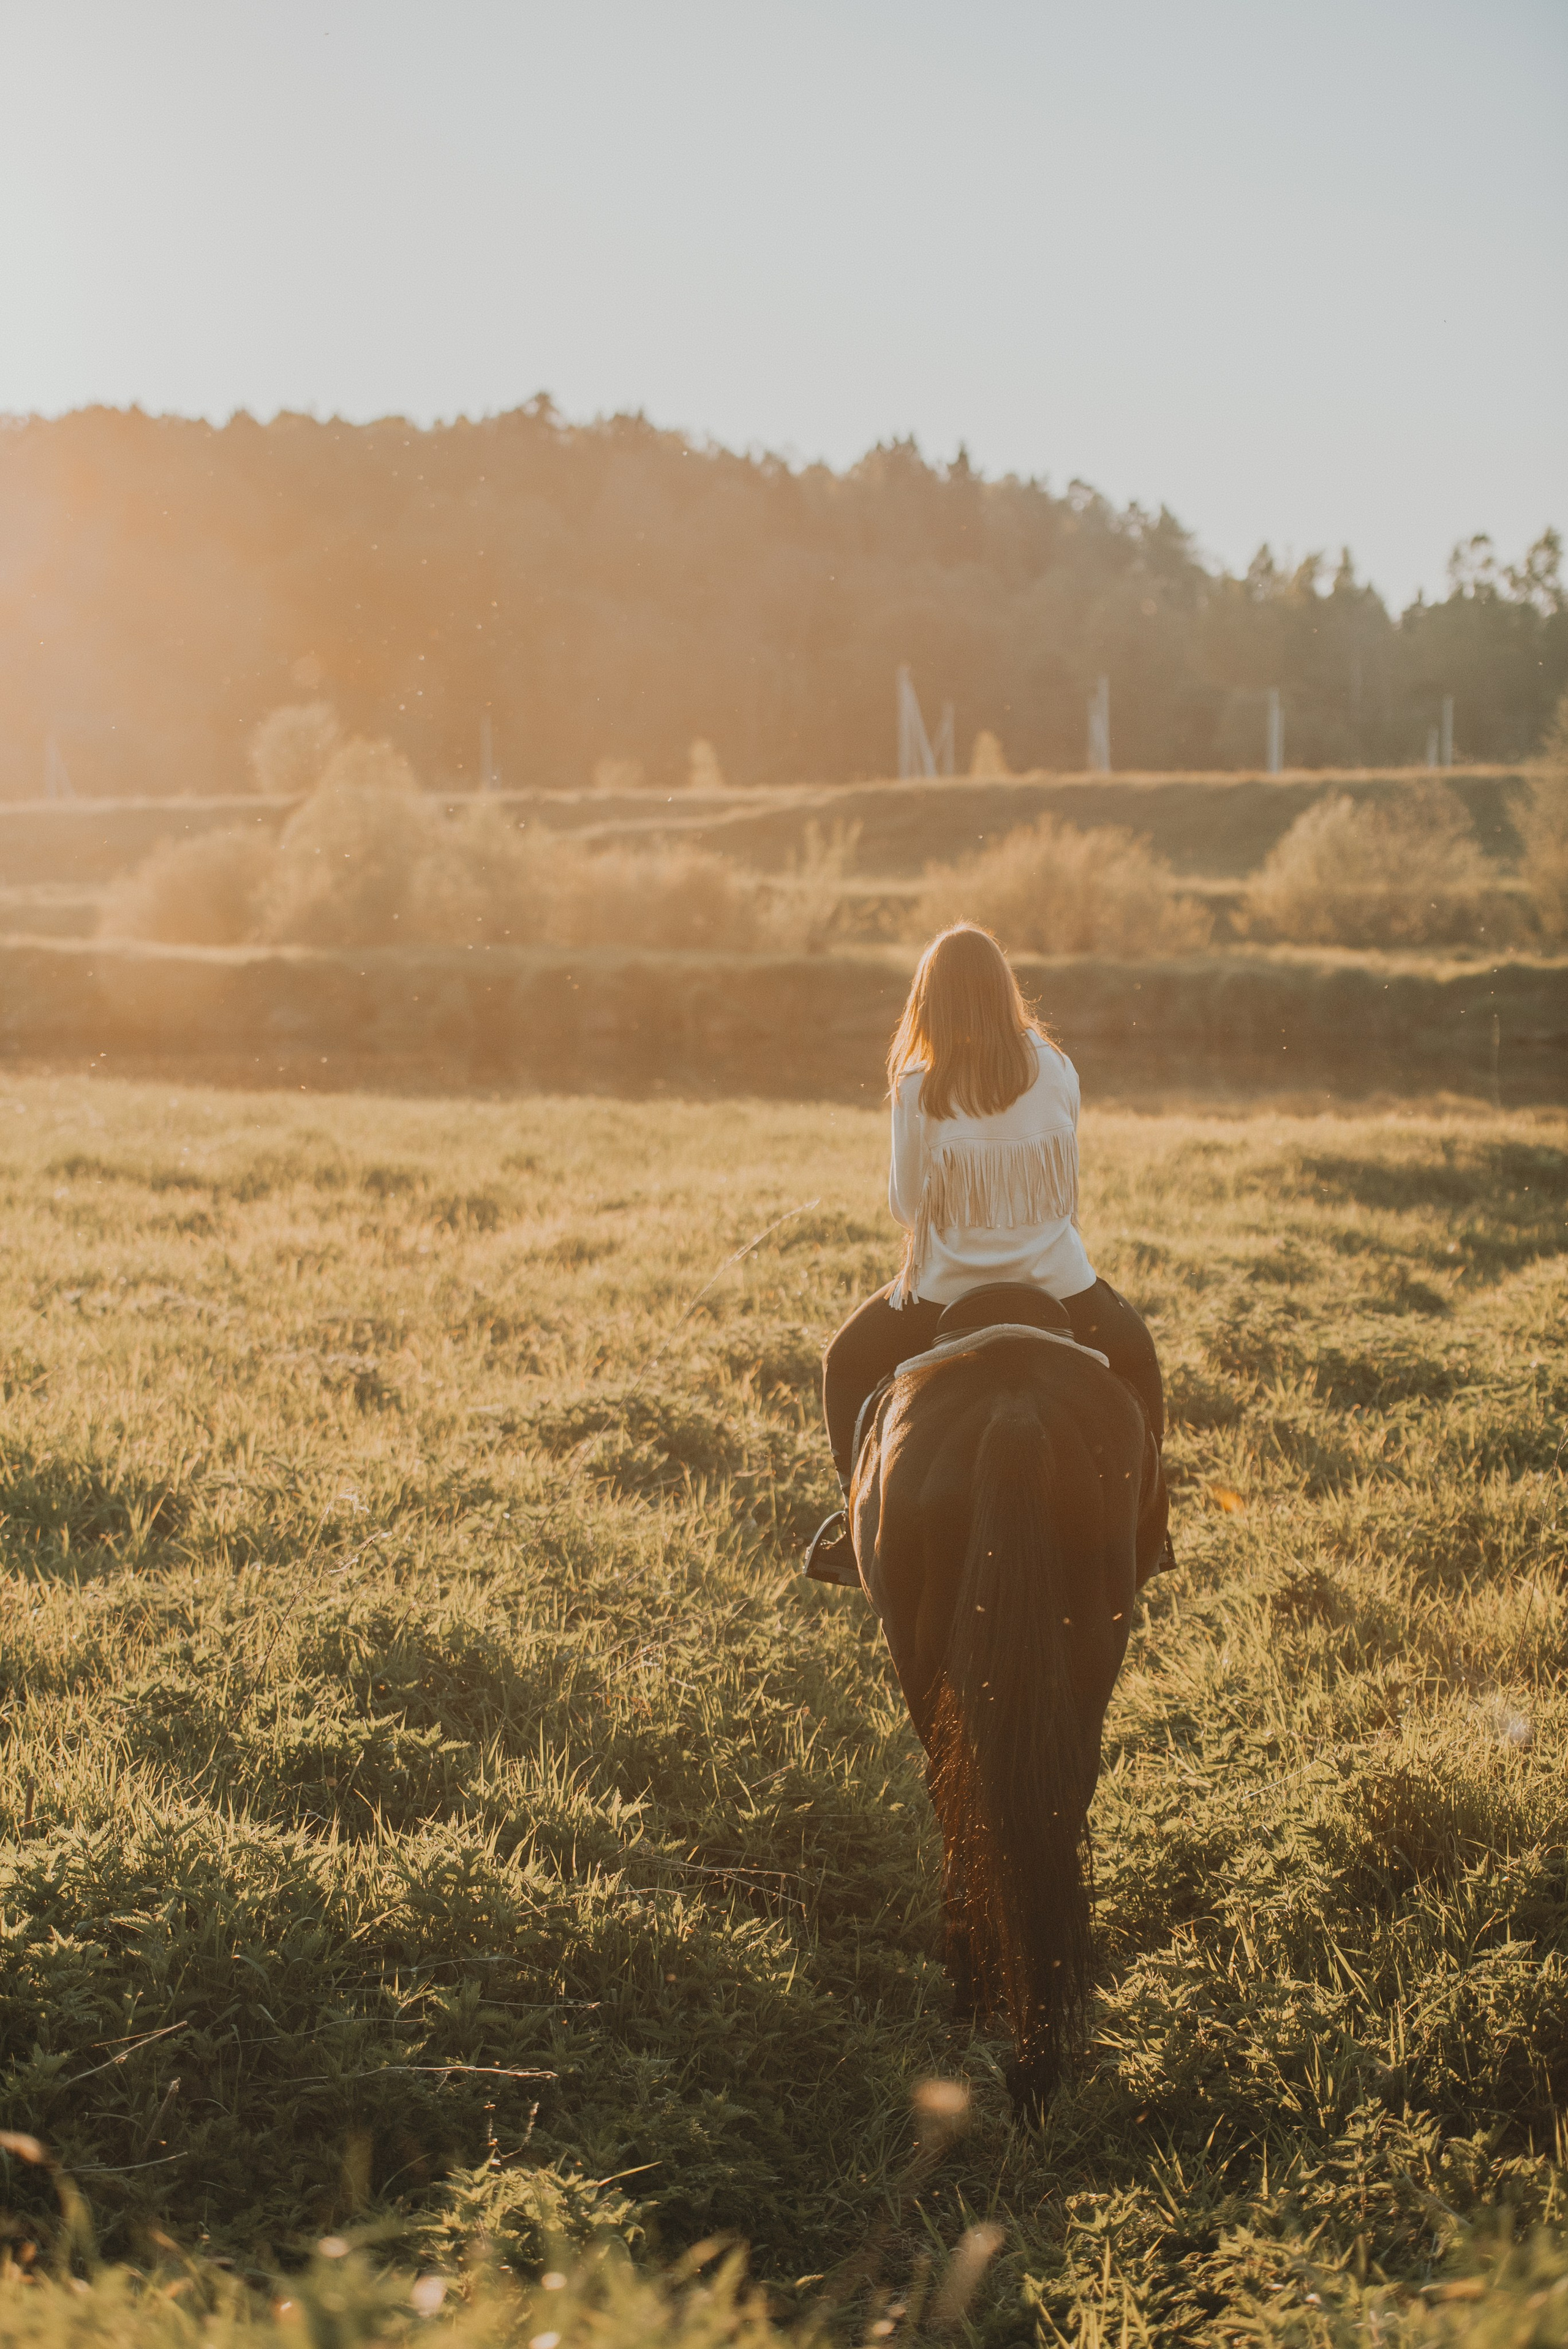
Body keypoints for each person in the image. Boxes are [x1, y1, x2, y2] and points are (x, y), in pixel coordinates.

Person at [809, 922, 1168, 1581]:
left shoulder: (919, 1085)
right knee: (1140, 1359)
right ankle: (1152, 1531)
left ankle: (849, 1525)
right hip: (1061, 1284)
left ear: (931, 1000)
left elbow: (905, 1208)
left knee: (845, 1362)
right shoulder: (1056, 1067)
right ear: (1005, 991)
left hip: (947, 1291)